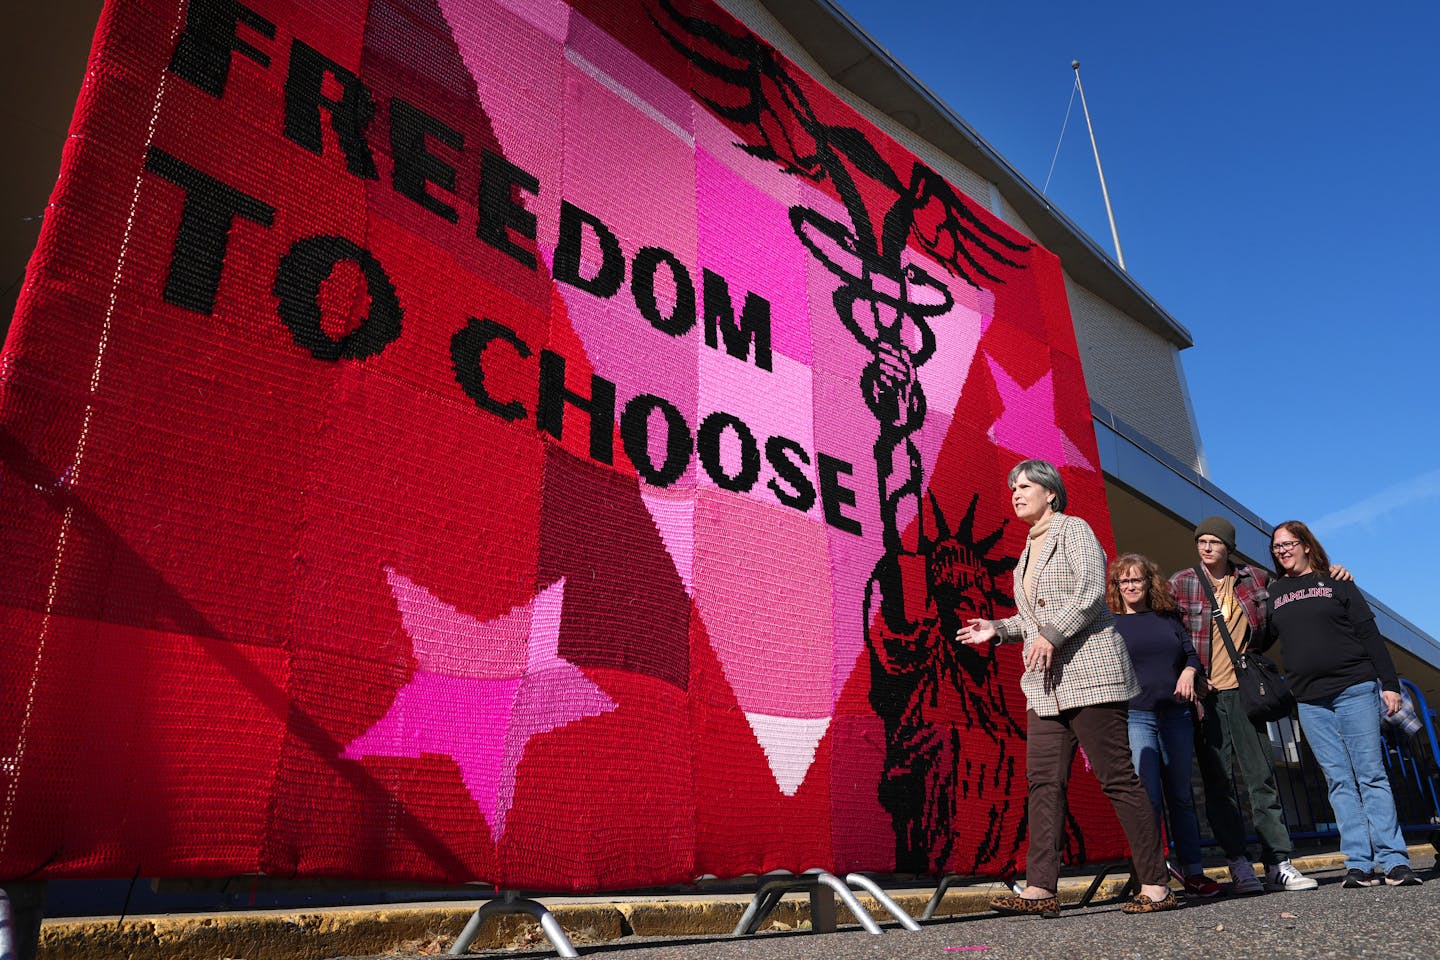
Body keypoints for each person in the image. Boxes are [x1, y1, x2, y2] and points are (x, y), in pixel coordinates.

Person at [959, 459, 1177, 917]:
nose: (1016, 493)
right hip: (1044, 686)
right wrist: (997, 629)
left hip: (1091, 674)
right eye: (1013, 487)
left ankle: (1156, 884)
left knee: (1116, 778)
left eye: (1025, 486)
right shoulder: (1025, 552)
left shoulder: (1073, 530)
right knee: (1043, 782)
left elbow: (1091, 591)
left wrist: (1051, 634)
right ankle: (1041, 888)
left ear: (1050, 493)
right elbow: (1032, 619)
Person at [1261, 521, 1425, 887]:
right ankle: (1359, 864)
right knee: (1338, 781)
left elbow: (1369, 634)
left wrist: (1390, 684)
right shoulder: (1274, 593)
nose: (1282, 551)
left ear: (1306, 545)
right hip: (1309, 699)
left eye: (1289, 544)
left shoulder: (1337, 582)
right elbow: (1259, 636)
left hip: (1355, 688)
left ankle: (1395, 861)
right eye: (1276, 547)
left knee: (1371, 774)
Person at [1168, 517, 1319, 894]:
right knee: (1219, 784)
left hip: (1245, 692)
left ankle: (1278, 862)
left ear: (1228, 547)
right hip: (1206, 694)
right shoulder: (1181, 582)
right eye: (1201, 540)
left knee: (1261, 778)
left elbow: (1292, 593)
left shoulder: (1255, 579)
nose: (1206, 547)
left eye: (1214, 542)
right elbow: (1169, 633)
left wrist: (1328, 571)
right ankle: (1238, 862)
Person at [1107, 553, 1221, 898]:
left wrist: (1189, 671)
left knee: (1181, 797)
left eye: (1136, 579)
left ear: (1149, 582)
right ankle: (1151, 877)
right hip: (1136, 715)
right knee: (1148, 799)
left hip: (1176, 716)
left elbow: (1190, 655)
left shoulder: (1167, 618)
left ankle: (1194, 872)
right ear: (1116, 586)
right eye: (1123, 581)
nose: (1130, 586)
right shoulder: (1109, 623)